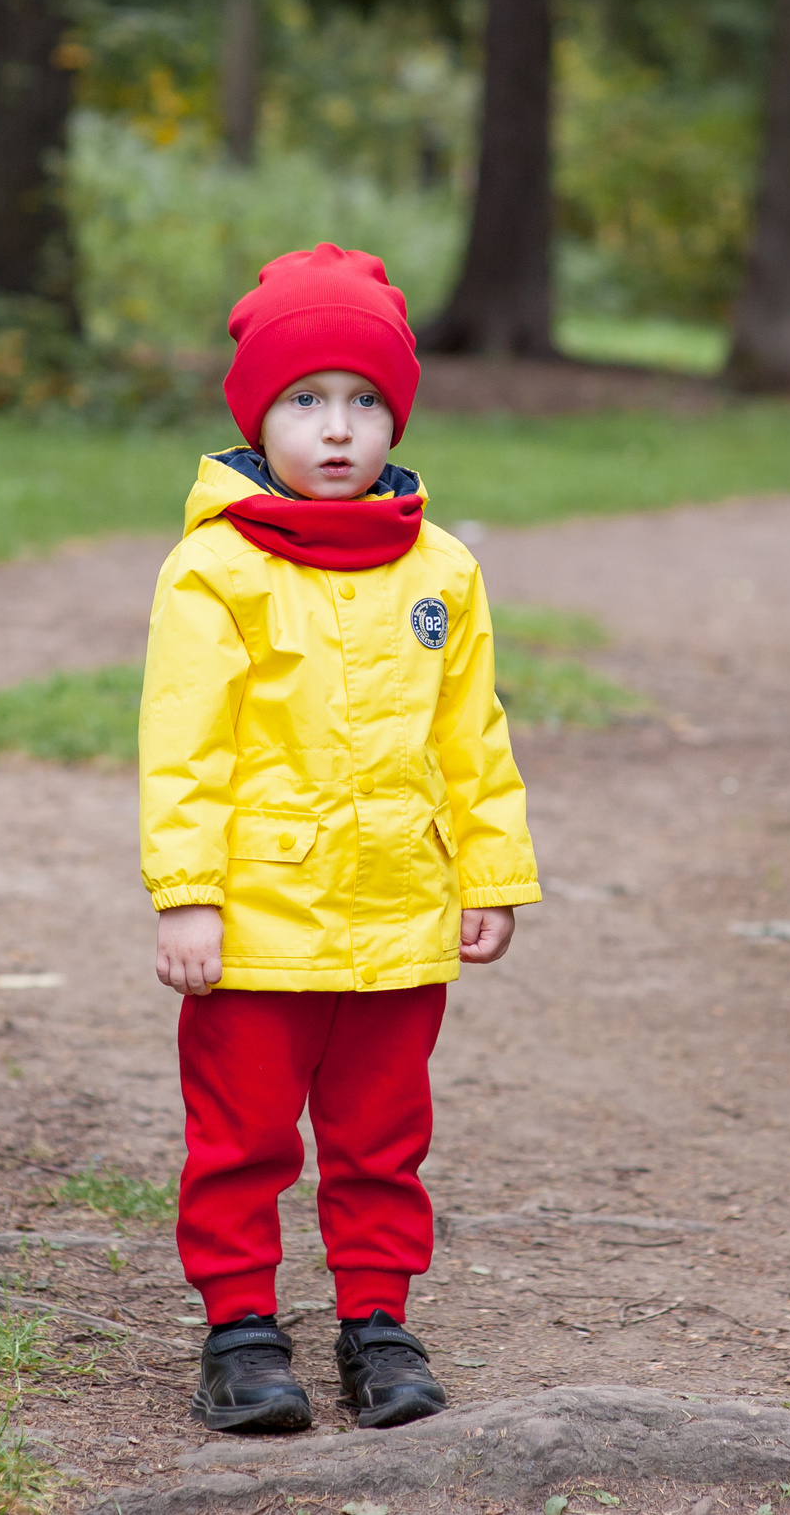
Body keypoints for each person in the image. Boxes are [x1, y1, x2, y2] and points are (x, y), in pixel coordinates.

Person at [139, 243, 541, 1433]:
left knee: (380, 1136)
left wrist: (491, 872)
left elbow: (472, 736)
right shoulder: (214, 570)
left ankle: (377, 1319)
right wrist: (187, 894)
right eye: (304, 399)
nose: (336, 427)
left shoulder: (441, 567)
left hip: (396, 910)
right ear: (256, 415)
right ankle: (241, 1330)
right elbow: (185, 741)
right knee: (244, 1134)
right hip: (257, 919)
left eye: (365, 401)